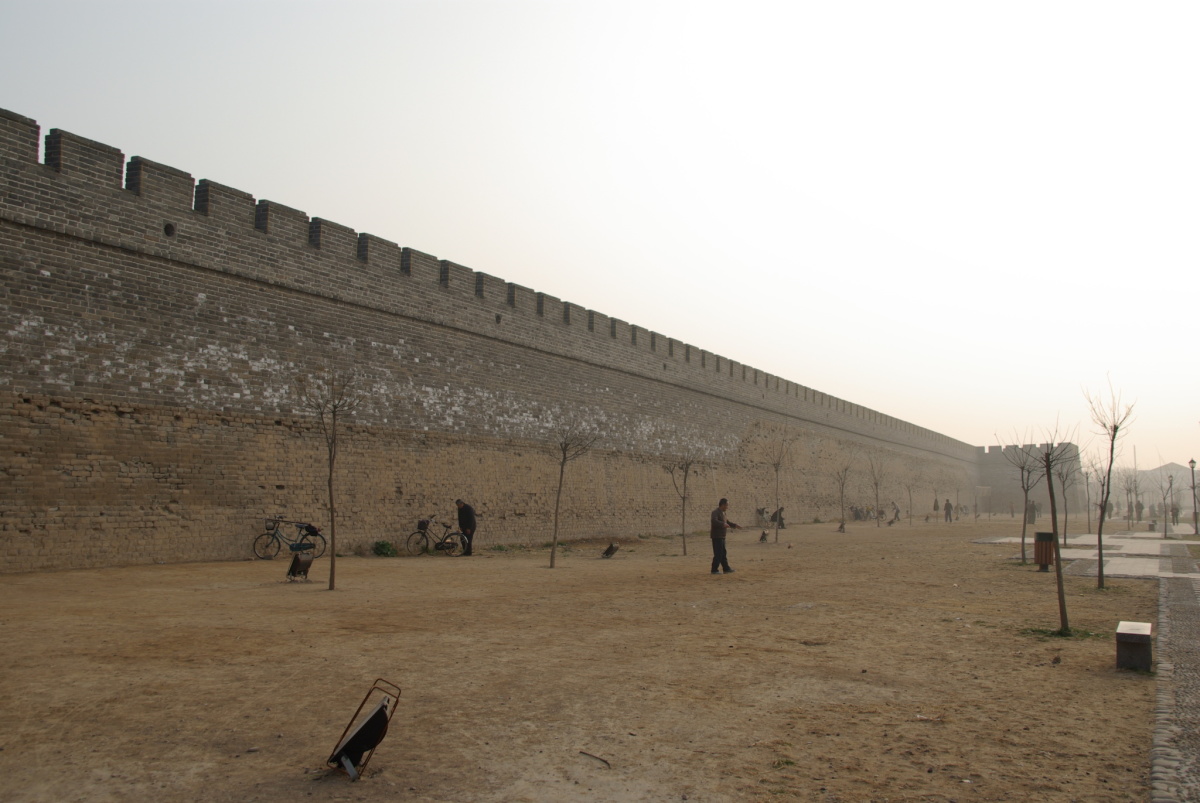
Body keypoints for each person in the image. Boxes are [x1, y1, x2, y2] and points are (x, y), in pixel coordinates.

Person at [710, 498, 740, 575]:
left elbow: (727, 522)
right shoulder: (715, 512)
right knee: (718, 553)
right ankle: (714, 569)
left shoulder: (723, 513)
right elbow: (714, 521)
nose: (727, 507)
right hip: (717, 536)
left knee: (723, 553)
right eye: (726, 505)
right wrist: (723, 524)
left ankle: (726, 568)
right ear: (722, 505)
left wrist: (735, 525)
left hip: (722, 536)